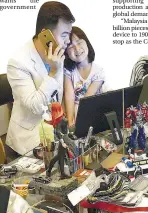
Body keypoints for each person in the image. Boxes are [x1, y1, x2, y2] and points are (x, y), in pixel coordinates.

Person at [6, 1, 75, 155]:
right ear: (46, 34)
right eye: (64, 34)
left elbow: (56, 97)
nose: (68, 40)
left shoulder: (57, 52)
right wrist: (53, 73)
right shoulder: (18, 62)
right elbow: (35, 107)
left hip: (52, 138)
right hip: (26, 146)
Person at [64, 26, 106, 128]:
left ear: (86, 42)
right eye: (70, 47)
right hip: (73, 114)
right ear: (66, 53)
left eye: (79, 42)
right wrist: (70, 123)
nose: (77, 49)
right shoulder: (68, 71)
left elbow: (87, 100)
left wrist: (80, 124)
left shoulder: (98, 72)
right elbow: (69, 96)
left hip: (91, 115)